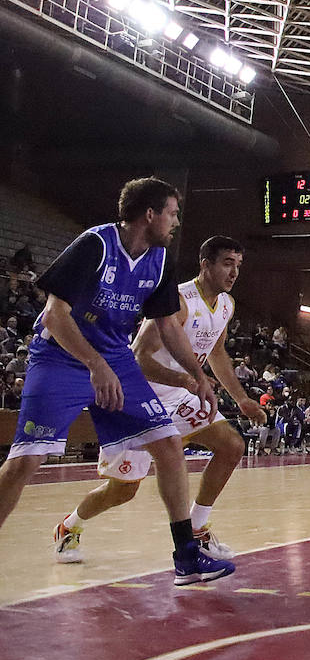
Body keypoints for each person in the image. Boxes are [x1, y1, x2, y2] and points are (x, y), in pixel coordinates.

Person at [0, 178, 234, 585]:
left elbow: (167, 325)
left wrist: (198, 375)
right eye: (172, 213)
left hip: (114, 358)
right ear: (150, 214)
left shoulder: (160, 259)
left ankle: (186, 557)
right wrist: (94, 364)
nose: (176, 222)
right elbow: (55, 316)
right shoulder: (95, 245)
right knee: (24, 463)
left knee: (168, 445)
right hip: (60, 356)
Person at [53, 236, 266, 565]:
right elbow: (138, 359)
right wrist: (186, 379)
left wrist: (240, 397)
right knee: (122, 491)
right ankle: (69, 526)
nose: (234, 272)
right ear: (205, 264)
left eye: (239, 265)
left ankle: (196, 529)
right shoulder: (178, 300)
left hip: (180, 395)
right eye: (227, 263)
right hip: (140, 397)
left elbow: (217, 351)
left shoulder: (226, 304)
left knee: (232, 446)